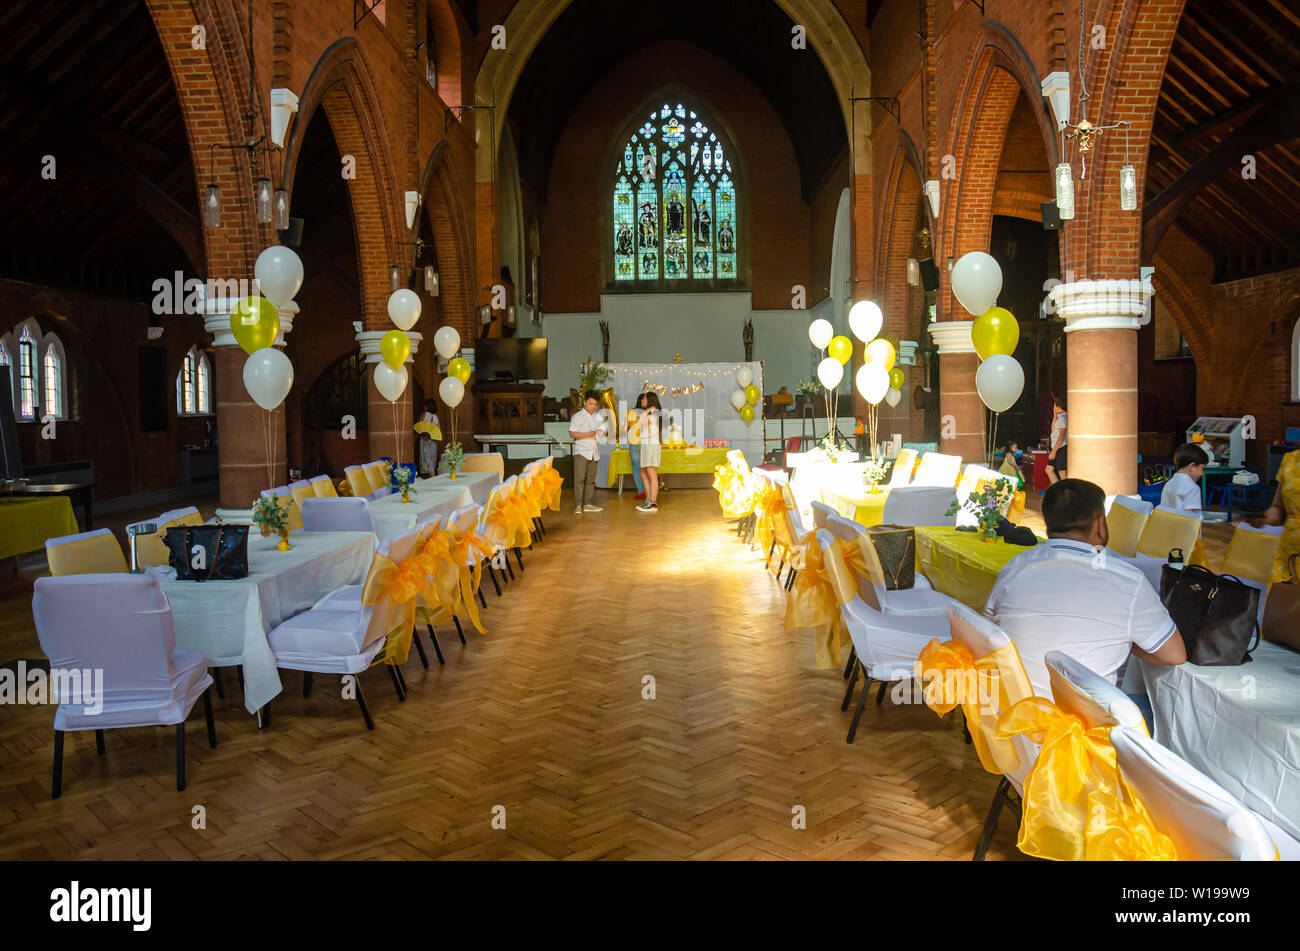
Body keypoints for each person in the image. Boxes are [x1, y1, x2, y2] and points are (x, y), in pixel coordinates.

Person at [984, 479, 1186, 708]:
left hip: (1013, 721)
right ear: (1100, 525)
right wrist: (1124, 638)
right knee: (1150, 703)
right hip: (1086, 731)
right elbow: (1174, 655)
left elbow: (991, 631)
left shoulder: (1013, 568)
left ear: (1047, 524)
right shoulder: (1129, 581)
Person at [1249, 448, 1300, 582]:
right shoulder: (1291, 460)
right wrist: (1264, 519)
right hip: (1289, 553)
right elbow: (1278, 508)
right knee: (1283, 598)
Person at [568, 391, 608, 516]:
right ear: (585, 403)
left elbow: (602, 429)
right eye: (590, 404)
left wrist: (602, 432)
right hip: (581, 451)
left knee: (591, 480)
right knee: (580, 479)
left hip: (593, 451)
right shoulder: (577, 416)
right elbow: (572, 434)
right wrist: (589, 433)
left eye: (595, 405)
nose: (593, 407)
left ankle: (588, 503)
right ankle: (578, 504)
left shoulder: (597, 416)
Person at [1161, 443, 1208, 515]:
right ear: (1192, 466)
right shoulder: (1192, 488)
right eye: (1202, 468)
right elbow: (1190, 515)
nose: (1202, 473)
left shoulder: (1169, 484)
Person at [637, 391, 662, 514]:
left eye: (644, 399)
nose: (642, 400)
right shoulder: (650, 414)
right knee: (643, 472)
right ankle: (648, 499)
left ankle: (653, 503)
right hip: (646, 445)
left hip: (651, 445)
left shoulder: (654, 414)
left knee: (652, 473)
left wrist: (646, 411)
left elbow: (639, 422)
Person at [626, 393, 648, 500]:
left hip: (634, 443)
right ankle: (649, 491)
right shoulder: (650, 413)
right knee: (647, 468)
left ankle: (641, 491)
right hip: (646, 442)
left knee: (636, 468)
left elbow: (625, 428)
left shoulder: (630, 412)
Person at [1046, 395, 1067, 484]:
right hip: (1057, 447)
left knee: (1062, 472)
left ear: (1057, 406)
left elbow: (1061, 436)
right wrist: (1055, 416)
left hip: (1061, 448)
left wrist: (1054, 451)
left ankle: (1065, 492)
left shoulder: (1063, 418)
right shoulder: (1060, 417)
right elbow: (1053, 429)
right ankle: (1058, 489)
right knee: (1049, 469)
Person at [418, 398, 440, 477]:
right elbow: (438, 429)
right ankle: (432, 474)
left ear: (427, 406)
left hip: (425, 439)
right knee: (432, 458)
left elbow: (420, 427)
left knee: (426, 457)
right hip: (433, 440)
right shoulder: (435, 416)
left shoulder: (424, 414)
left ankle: (432, 476)